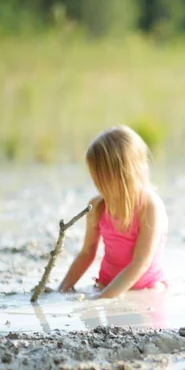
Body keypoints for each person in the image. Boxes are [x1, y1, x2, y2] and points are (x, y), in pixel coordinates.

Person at [59, 125, 167, 299]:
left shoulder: (149, 206)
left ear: (124, 174)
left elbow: (141, 261)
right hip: (105, 284)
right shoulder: (97, 207)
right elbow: (87, 253)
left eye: (101, 177)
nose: (96, 183)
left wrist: (103, 298)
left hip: (146, 292)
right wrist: (62, 289)